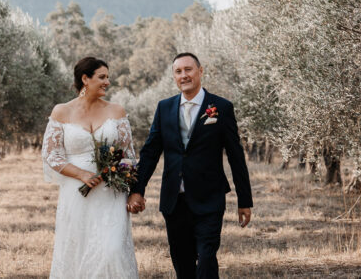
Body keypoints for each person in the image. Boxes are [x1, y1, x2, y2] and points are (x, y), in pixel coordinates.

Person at [126, 52, 252, 279]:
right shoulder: (164, 108)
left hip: (210, 199)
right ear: (174, 77)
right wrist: (137, 189)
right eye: (178, 71)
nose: (184, 75)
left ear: (200, 71)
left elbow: (236, 156)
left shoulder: (221, 107)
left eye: (188, 69)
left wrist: (244, 200)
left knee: (206, 259)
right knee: (182, 264)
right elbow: (151, 152)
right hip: (174, 201)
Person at [41, 56, 138, 278]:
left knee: (112, 249)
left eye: (108, 77)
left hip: (111, 192)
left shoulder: (117, 111)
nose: (107, 82)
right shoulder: (61, 111)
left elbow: (129, 156)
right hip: (76, 192)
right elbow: (51, 154)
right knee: (78, 249)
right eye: (102, 77)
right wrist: (81, 173)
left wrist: (125, 184)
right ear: (85, 78)